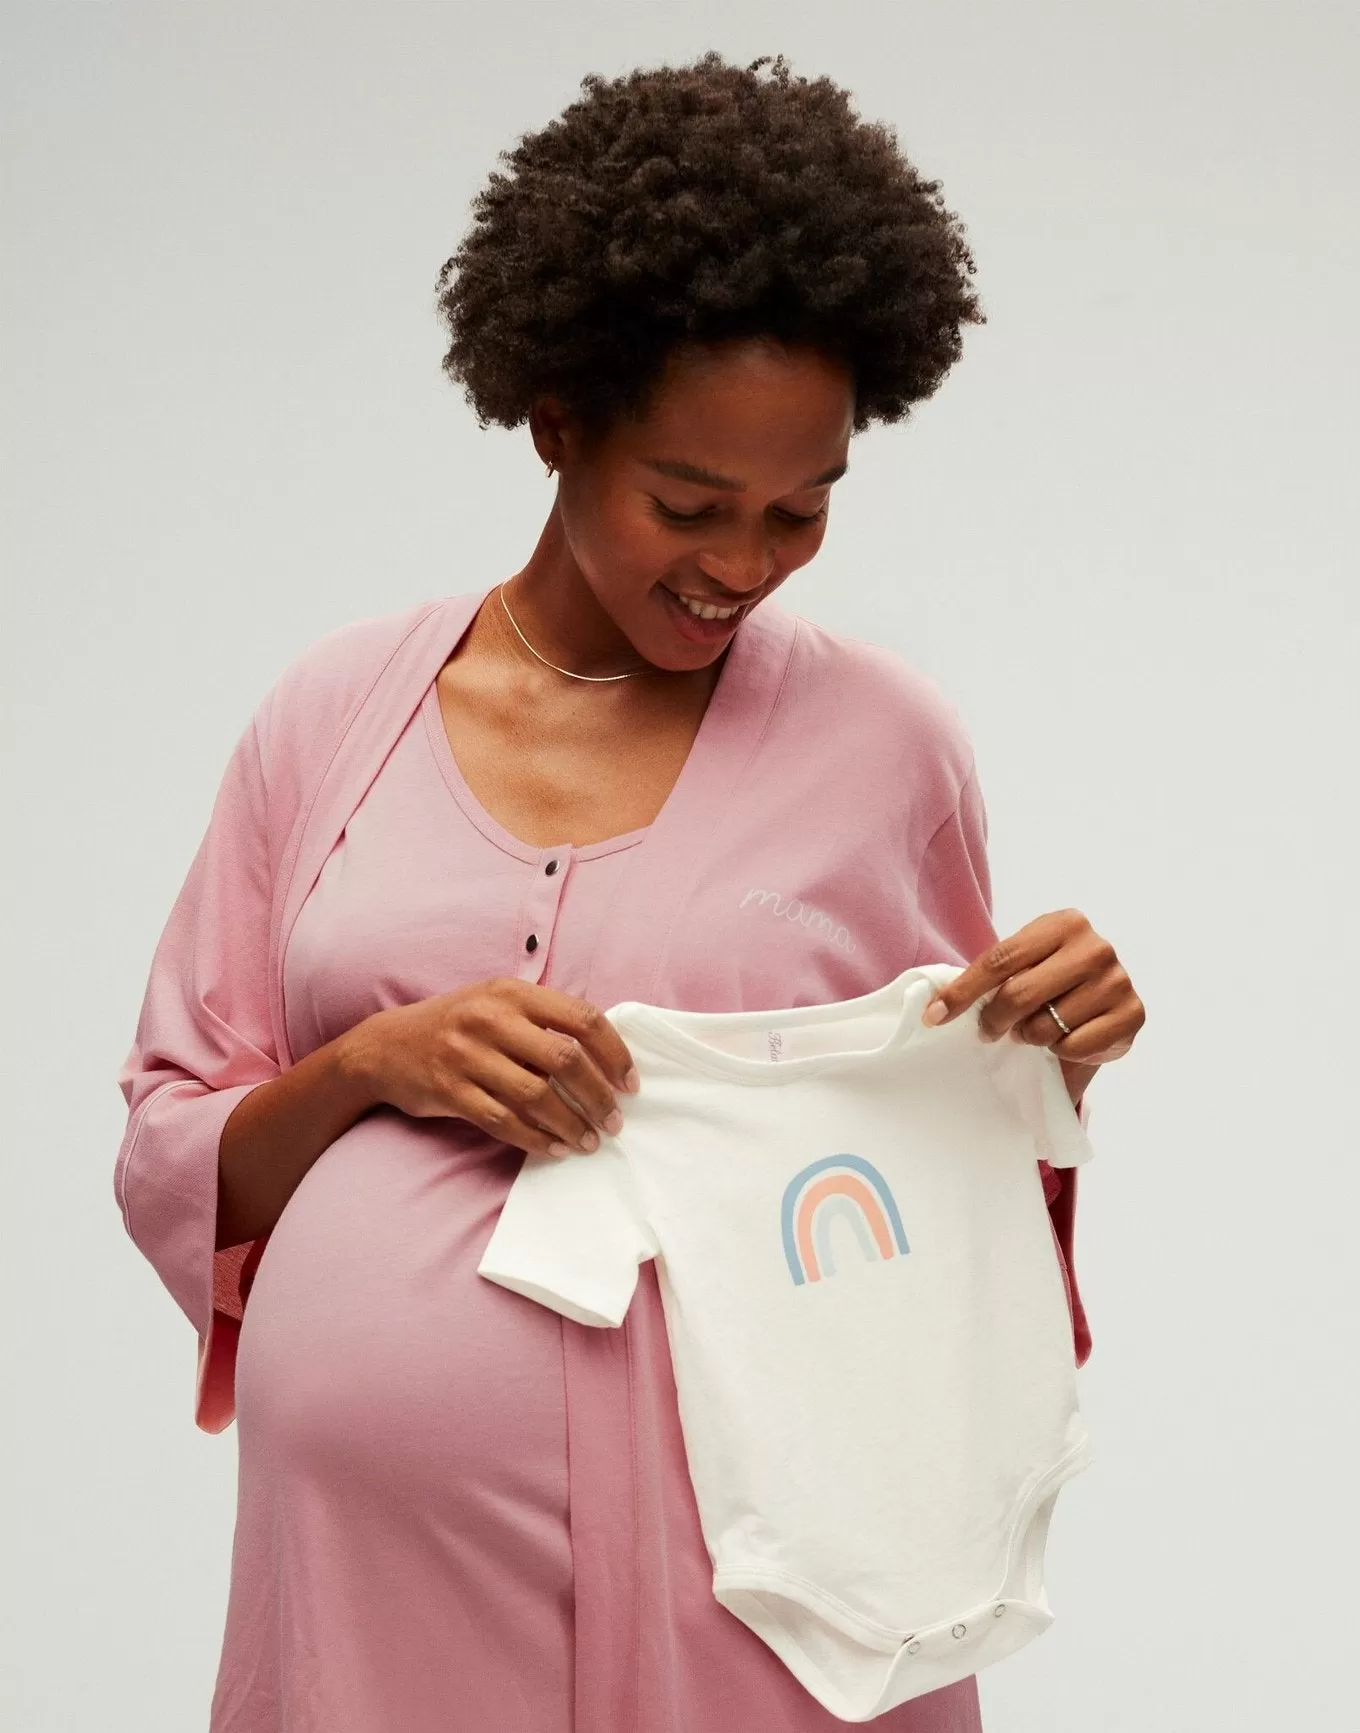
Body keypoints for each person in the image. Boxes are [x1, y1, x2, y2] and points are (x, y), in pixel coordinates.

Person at [114, 51, 1145, 1733]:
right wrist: (375, 1067)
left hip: (774, 1571)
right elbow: (175, 1141)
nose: (739, 565)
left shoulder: (888, 749)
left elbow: (946, 1183)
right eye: (687, 503)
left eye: (799, 512)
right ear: (558, 422)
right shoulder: (331, 722)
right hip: (383, 1580)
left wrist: (1054, 1053)